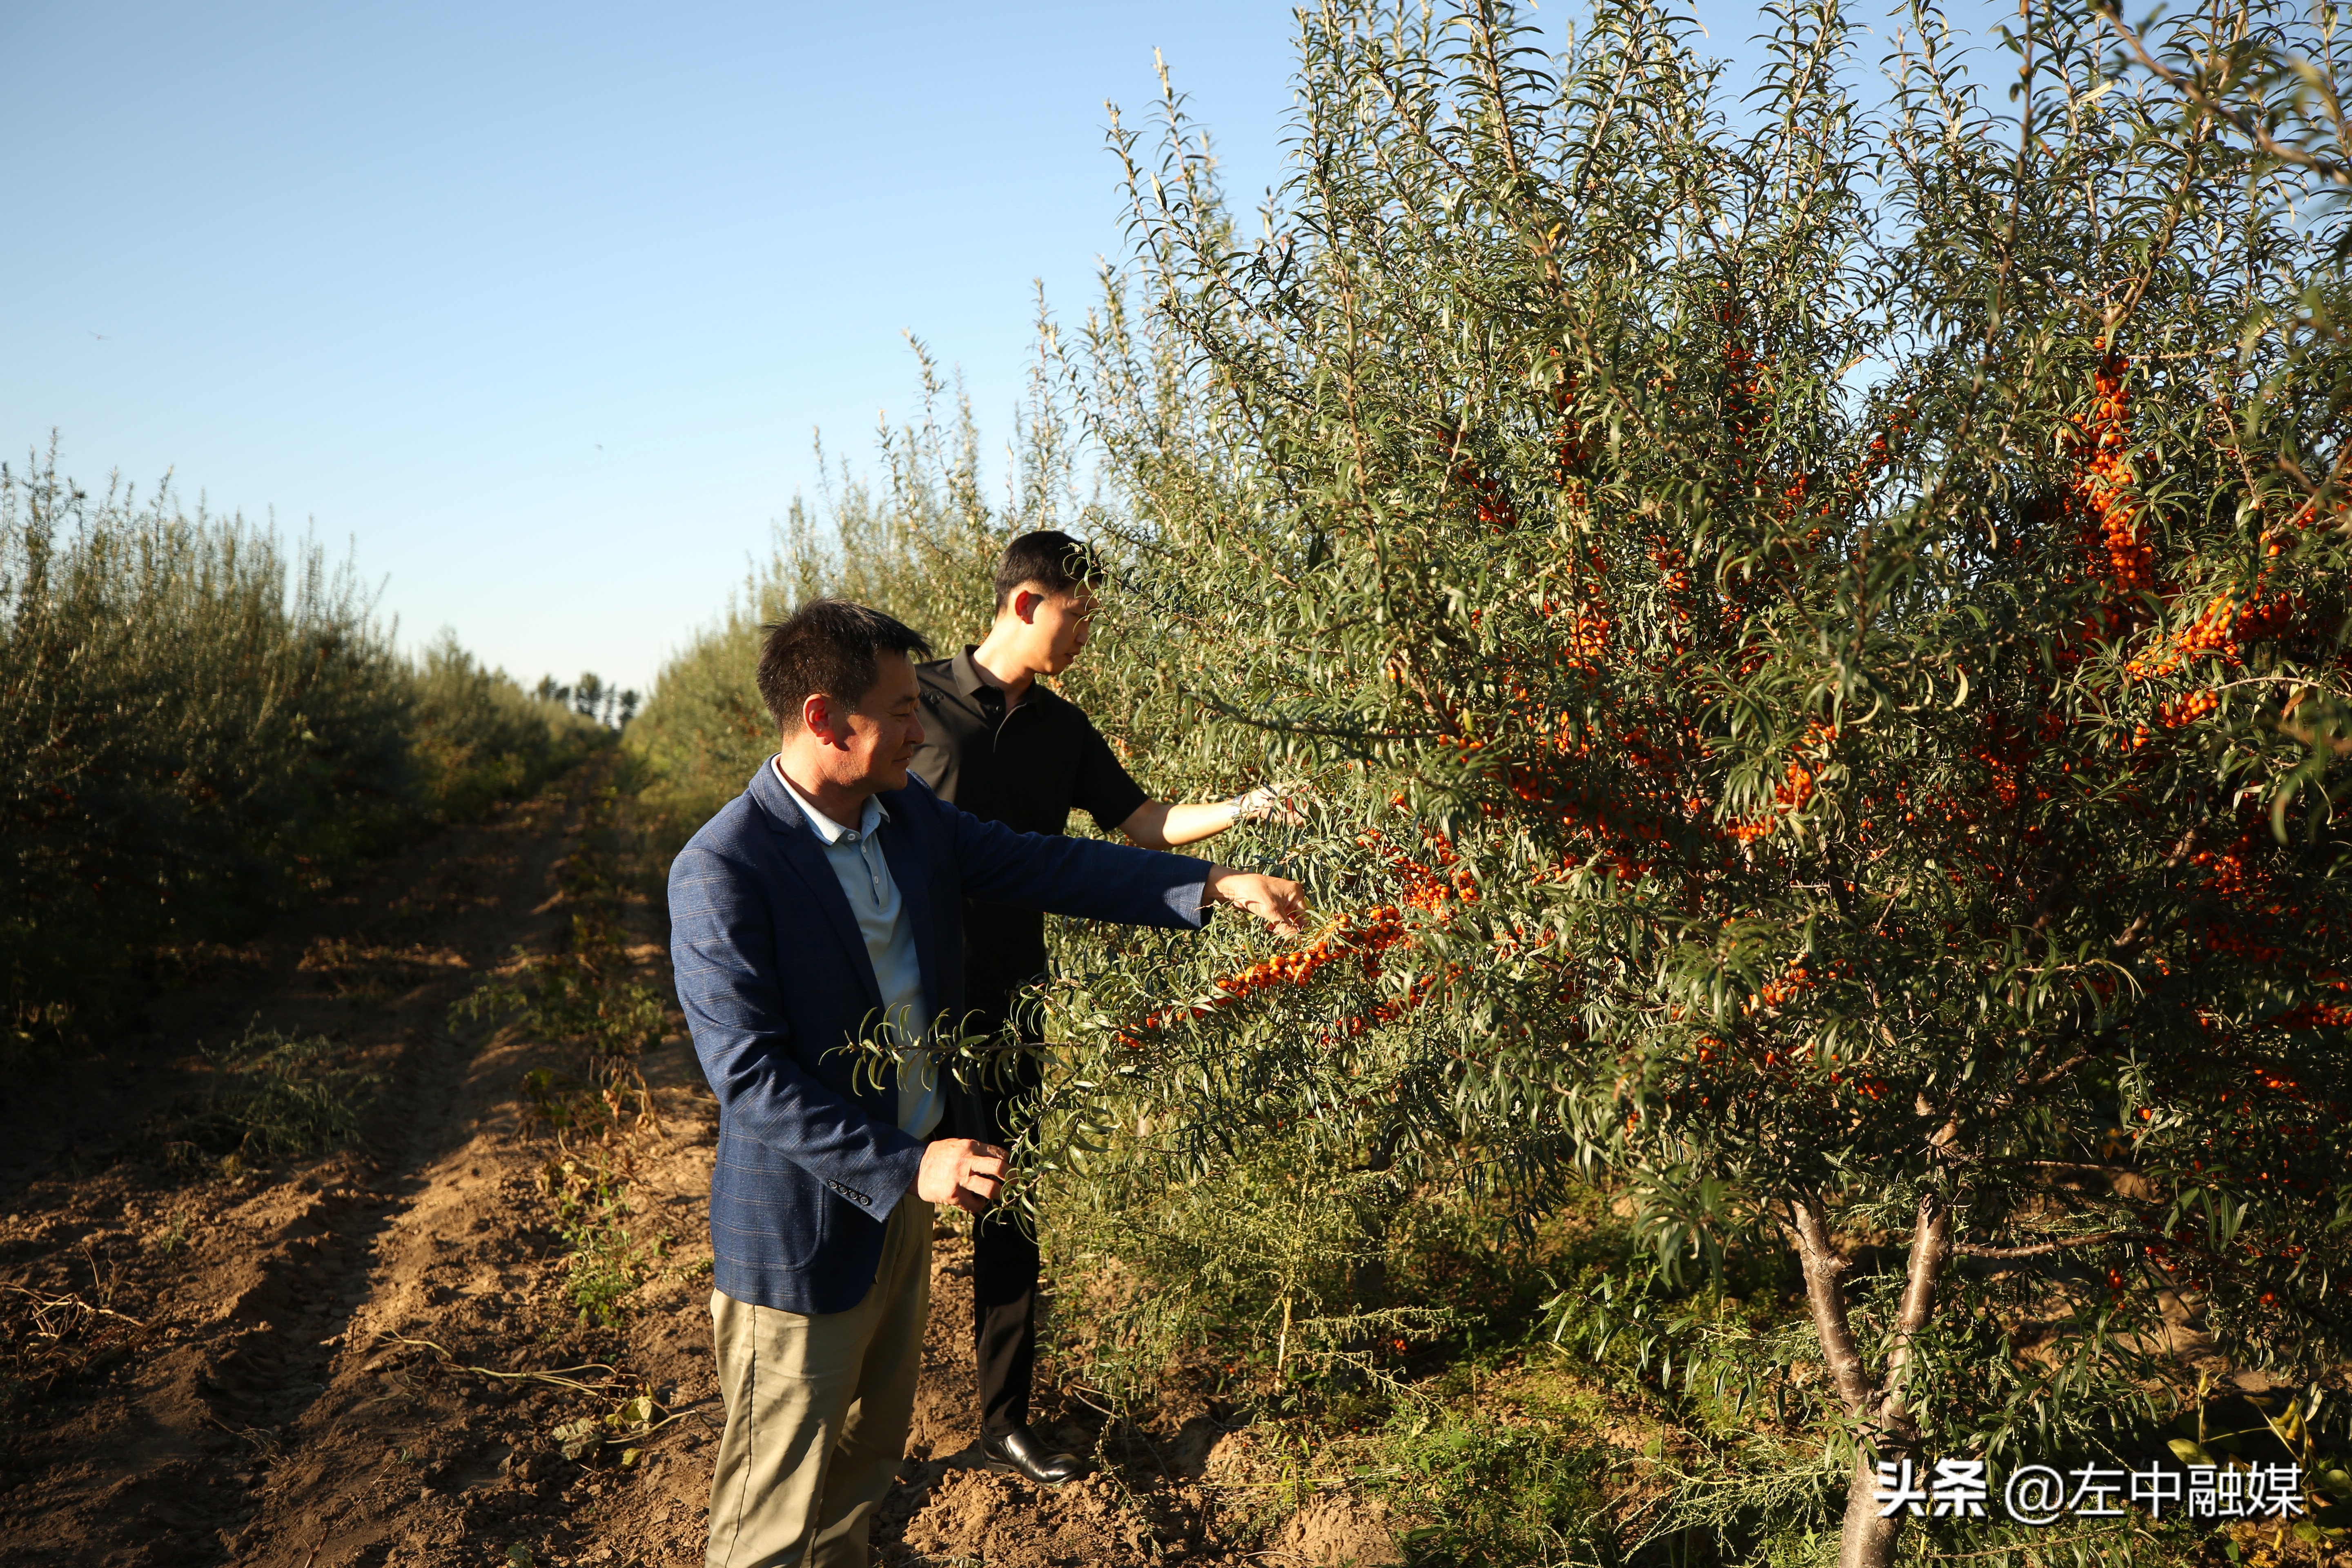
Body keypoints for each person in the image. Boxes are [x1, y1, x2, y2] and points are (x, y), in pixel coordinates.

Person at [669, 598, 1304, 1568]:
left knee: (867, 1468)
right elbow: (749, 1076)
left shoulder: (905, 817)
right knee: (773, 1514)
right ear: (823, 720)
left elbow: (1038, 862)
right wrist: (907, 1165)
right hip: (803, 1236)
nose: (923, 728)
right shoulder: (726, 868)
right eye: (900, 711)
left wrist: (1211, 884)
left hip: (898, 1218)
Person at [908, 530, 1293, 1487]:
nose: (1085, 636)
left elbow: (1144, 826)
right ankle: (854, 1423)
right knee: (877, 1196)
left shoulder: (1063, 732)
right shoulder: (909, 701)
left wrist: (1245, 810)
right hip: (899, 1006)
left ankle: (1002, 1423)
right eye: (1079, 616)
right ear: (1028, 602)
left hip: (1007, 1003)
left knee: (1009, 1207)